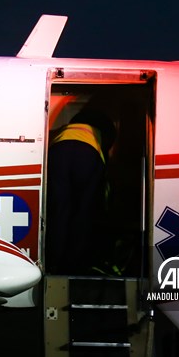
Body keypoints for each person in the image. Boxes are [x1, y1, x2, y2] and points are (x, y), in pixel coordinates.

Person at [45, 104, 116, 275]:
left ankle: (53, 261)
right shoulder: (100, 134)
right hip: (87, 154)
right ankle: (73, 264)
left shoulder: (66, 128)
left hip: (58, 152)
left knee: (59, 211)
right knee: (83, 213)